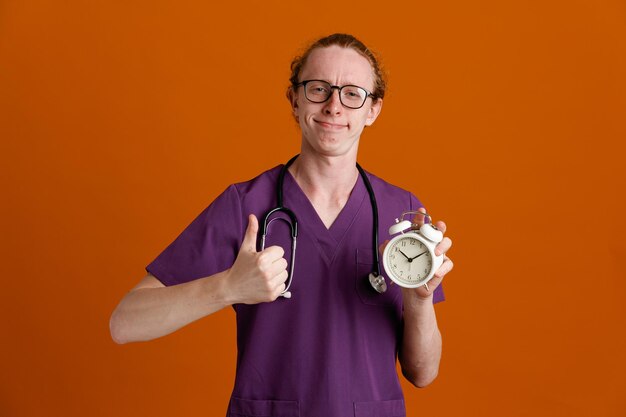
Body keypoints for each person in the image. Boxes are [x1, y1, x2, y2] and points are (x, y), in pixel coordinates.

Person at [110, 33, 453, 417]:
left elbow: (423, 373)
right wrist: (226, 287)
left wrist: (420, 300)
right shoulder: (247, 206)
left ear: (373, 110)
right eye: (318, 89)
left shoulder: (402, 213)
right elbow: (125, 323)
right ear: (294, 99)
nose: (334, 107)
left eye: (352, 93)